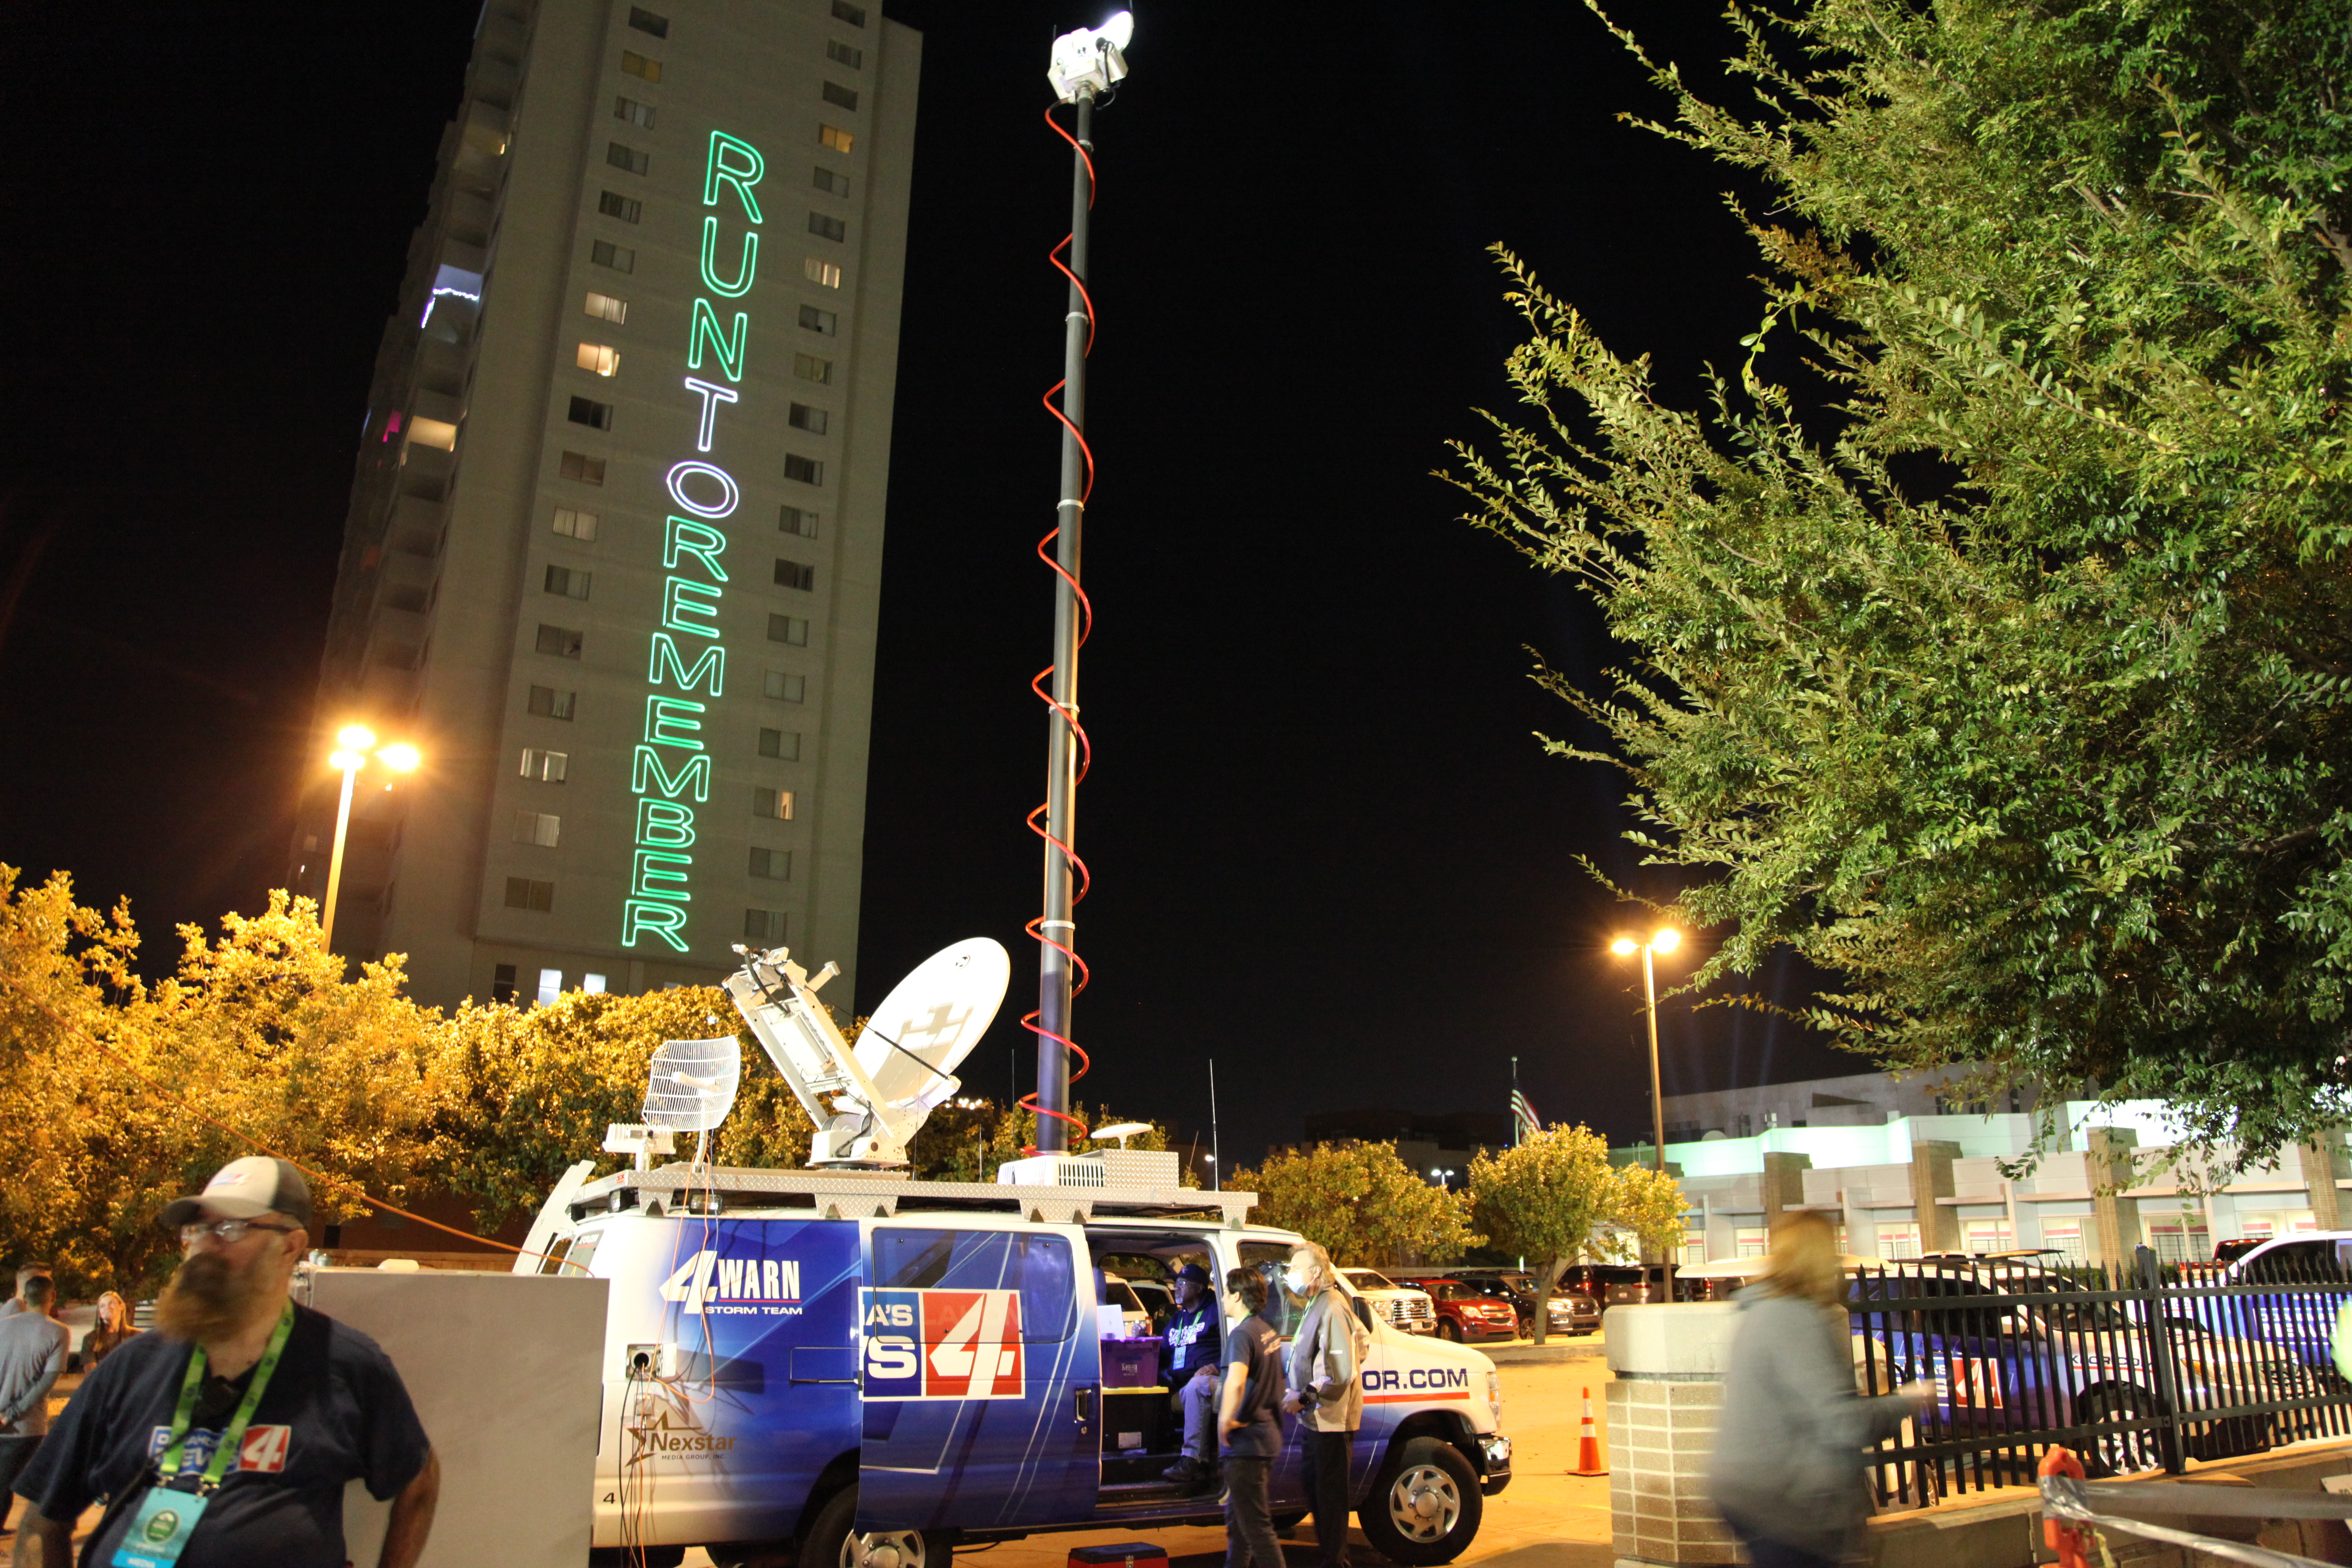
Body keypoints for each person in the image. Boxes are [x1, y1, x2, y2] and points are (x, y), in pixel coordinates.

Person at [11, 1155, 442, 1568]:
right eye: (198, 1229)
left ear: (290, 1247)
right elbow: (40, 1524)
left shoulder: (347, 1366)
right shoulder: (129, 1368)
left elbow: (418, 1479)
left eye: (230, 1229)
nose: (202, 1246)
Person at [1708, 1212, 1933, 1568]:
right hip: (1789, 1503)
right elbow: (1842, 1422)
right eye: (1831, 1249)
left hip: (1751, 1491)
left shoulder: (1760, 1312)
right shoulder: (1797, 1319)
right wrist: (1906, 1402)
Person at [1280, 1242, 1367, 1568]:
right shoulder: (1318, 1303)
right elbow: (1361, 1341)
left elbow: (1341, 1371)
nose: (1290, 1275)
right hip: (1317, 1421)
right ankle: (1334, 1559)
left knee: (1330, 1502)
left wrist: (1304, 1397)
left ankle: (1335, 1562)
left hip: (1331, 1422)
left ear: (1316, 1272)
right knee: (1319, 1497)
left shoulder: (1331, 1307)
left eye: (1295, 1269)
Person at [1217, 1265, 1287, 1568]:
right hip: (1266, 1438)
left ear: (1237, 1296)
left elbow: (1236, 1380)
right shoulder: (1266, 1330)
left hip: (1247, 1444)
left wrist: (1225, 1421)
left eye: (1225, 1293)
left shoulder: (1242, 1335)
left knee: (1256, 1528)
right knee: (1239, 1526)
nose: (1221, 1298)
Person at [0, 1275, 69, 1524]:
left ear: (25, 1298)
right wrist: (10, 1414)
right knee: (12, 1483)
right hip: (25, 1425)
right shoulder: (59, 1332)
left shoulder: (2, 1325)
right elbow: (45, 1383)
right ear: (52, 1297)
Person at [1159, 1262, 1222, 1491]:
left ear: (1198, 1288)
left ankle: (1193, 1460)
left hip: (1214, 1381)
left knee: (1197, 1386)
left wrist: (1216, 1366)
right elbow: (1164, 1354)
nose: (1176, 1288)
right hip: (1182, 1384)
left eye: (1181, 1284)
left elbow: (1236, 1348)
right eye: (1175, 1284)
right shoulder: (1178, 1320)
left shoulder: (1216, 1312)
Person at [81, 1292, 139, 1370]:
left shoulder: (137, 1336)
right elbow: (91, 1376)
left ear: (121, 1306)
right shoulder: (91, 1338)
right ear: (99, 1312)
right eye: (102, 1306)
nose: (107, 1308)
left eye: (111, 1303)